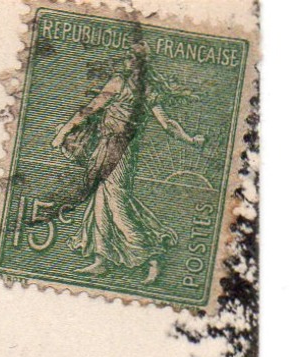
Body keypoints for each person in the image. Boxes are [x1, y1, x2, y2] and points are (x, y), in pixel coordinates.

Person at [49, 42, 204, 284]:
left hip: (123, 151)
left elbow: (167, 123)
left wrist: (190, 139)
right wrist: (64, 132)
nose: (128, 61)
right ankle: (101, 260)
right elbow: (89, 110)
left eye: (133, 58)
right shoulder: (119, 83)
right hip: (105, 147)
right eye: (129, 57)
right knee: (100, 200)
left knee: (118, 203)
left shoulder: (144, 90)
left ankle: (153, 256)